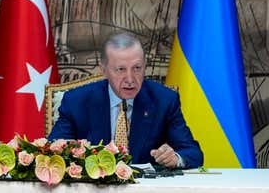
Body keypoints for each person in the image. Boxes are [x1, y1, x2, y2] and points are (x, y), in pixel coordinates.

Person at [48, 32, 203, 169]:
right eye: (121, 69)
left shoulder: (164, 100)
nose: (130, 79)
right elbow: (54, 151)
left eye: (137, 68)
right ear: (104, 70)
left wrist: (175, 158)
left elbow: (193, 153)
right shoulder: (76, 101)